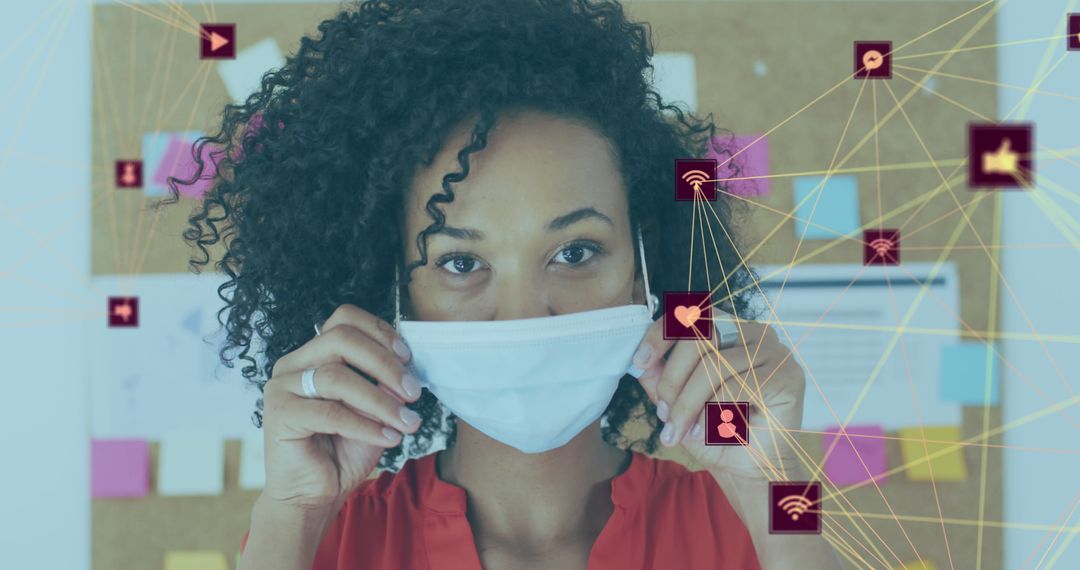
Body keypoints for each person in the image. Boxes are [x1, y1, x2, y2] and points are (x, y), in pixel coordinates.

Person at [164, 0, 844, 568]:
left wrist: (772, 484)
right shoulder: (318, 541)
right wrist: (289, 511)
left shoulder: (752, 524)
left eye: (575, 251)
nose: (524, 315)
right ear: (391, 293)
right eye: (461, 263)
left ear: (646, 262)